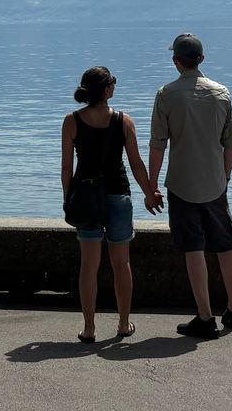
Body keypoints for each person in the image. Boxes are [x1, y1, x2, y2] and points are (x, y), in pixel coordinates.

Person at [145, 32, 232, 339]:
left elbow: (158, 146)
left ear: (176, 61)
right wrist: (224, 178)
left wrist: (152, 186)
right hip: (215, 183)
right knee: (226, 246)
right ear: (202, 59)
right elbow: (230, 145)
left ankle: (205, 316)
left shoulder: (166, 95)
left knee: (193, 248)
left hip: (181, 184)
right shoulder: (221, 93)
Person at [60, 65, 159, 343]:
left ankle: (89, 327)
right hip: (118, 194)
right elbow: (136, 164)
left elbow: (67, 167)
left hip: (86, 197)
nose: (114, 86)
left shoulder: (72, 121)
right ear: (106, 90)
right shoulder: (124, 121)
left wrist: (68, 199)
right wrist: (150, 193)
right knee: (121, 263)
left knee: (89, 266)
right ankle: (124, 323)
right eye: (113, 83)